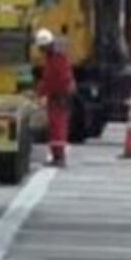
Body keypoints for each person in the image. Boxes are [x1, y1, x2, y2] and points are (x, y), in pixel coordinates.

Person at [34, 28, 76, 168]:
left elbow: (52, 80)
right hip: (59, 95)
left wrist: (40, 93)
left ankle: (59, 157)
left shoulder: (56, 59)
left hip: (59, 96)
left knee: (57, 126)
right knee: (56, 126)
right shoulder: (55, 56)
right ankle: (57, 155)